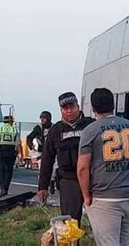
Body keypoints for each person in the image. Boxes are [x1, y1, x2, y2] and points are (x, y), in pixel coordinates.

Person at [77, 88, 129, 246]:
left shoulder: (90, 131)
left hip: (105, 196)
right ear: (113, 105)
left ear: (93, 108)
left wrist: (86, 197)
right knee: (123, 239)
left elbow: (82, 168)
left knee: (108, 242)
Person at [37, 92, 94, 223]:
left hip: (92, 179)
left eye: (72, 107)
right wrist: (42, 187)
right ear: (61, 110)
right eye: (65, 108)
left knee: (99, 221)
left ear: (78, 106)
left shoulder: (91, 126)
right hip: (69, 180)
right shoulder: (55, 131)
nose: (69, 111)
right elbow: (47, 159)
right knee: (70, 222)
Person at [0, 115, 23, 197]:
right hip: (11, 151)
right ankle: (6, 188)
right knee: (9, 171)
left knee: (1, 171)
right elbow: (19, 144)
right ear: (10, 122)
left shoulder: (0, 129)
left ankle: (2, 188)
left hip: (1, 151)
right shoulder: (14, 129)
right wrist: (21, 155)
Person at [27, 111, 56, 191]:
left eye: (44, 118)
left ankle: (52, 181)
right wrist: (31, 146)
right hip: (41, 152)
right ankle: (42, 187)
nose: (42, 120)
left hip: (53, 152)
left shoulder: (54, 127)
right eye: (41, 118)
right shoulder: (38, 128)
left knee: (54, 169)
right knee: (42, 170)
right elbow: (29, 137)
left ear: (49, 119)